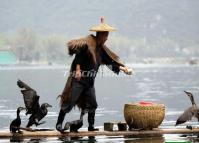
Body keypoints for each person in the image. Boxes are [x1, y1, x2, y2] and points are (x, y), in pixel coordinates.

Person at [56, 17, 132, 133]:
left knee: (93, 104)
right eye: (105, 36)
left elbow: (109, 62)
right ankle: (59, 123)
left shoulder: (101, 50)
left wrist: (122, 68)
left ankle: (91, 126)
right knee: (69, 102)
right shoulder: (88, 44)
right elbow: (78, 57)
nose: (106, 38)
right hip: (79, 80)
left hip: (89, 83)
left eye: (107, 36)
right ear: (100, 35)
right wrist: (77, 70)